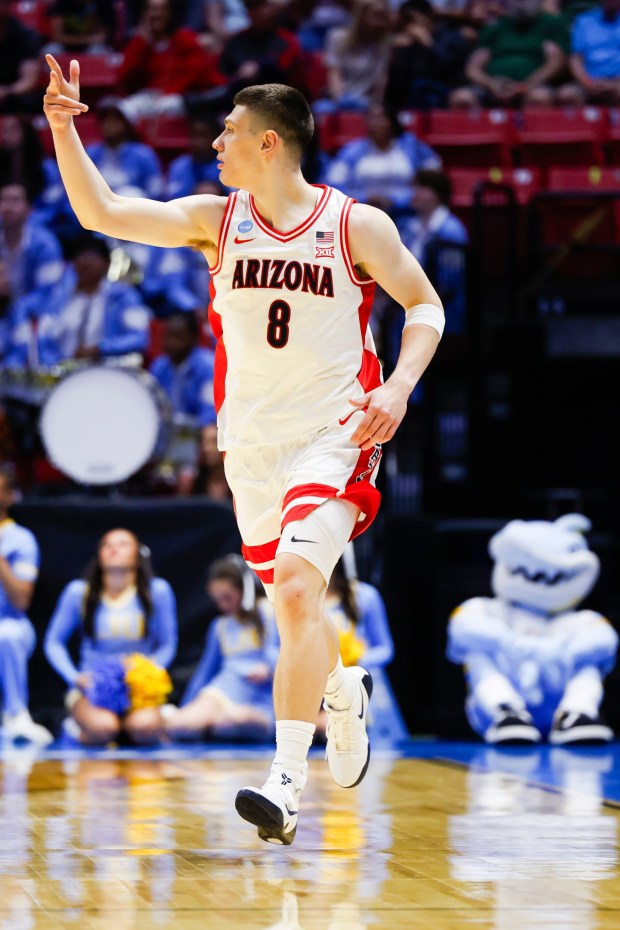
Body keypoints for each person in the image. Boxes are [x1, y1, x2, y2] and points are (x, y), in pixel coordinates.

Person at [43, 59, 444, 846]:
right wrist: (63, 127)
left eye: (227, 132)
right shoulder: (215, 220)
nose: (215, 144)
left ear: (269, 142)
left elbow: (424, 303)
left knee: (296, 587)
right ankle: (338, 690)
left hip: (336, 430)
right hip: (250, 442)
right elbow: (102, 211)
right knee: (293, 602)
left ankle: (286, 783)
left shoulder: (355, 225)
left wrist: (397, 387)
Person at [44, 528, 178, 746]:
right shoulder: (79, 592)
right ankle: (80, 727)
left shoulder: (157, 591)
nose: (114, 549)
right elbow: (53, 642)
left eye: (123, 544)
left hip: (137, 689)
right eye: (107, 545)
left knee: (144, 728)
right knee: (104, 728)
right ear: (99, 555)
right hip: (92, 689)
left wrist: (148, 672)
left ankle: (141, 724)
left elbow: (167, 645)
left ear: (138, 555)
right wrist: (75, 677)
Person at [166, 555, 278, 740]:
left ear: (245, 590)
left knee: (229, 722)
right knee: (181, 725)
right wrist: (186, 707)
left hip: (264, 697)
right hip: (226, 689)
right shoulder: (221, 625)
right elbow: (205, 671)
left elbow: (291, 654)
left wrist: (270, 668)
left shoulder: (270, 611)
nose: (223, 605)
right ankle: (187, 719)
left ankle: (211, 724)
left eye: (227, 597)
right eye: (217, 600)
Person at [316, 553, 408, 744]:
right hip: (315, 681)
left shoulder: (364, 596)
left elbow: (385, 649)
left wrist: (357, 659)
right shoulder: (302, 597)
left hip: (354, 680)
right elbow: (277, 648)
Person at [0, 465, 53, 744]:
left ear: (9, 496)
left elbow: (21, 600)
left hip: (10, 621)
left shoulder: (21, 540)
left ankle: (16, 714)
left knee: (5, 635)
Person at [321, 105, 441, 217]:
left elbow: (433, 175)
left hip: (407, 216)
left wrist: (399, 200)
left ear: (391, 121)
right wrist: (362, 199)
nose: (374, 123)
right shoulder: (351, 151)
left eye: (380, 118)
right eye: (370, 119)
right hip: (361, 216)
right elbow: (333, 183)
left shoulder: (411, 146)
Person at [449, 0, 570, 107]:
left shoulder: (552, 23)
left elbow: (557, 63)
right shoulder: (495, 26)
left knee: (540, 97)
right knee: (462, 98)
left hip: (535, 85)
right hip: (493, 86)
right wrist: (491, 83)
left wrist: (525, 86)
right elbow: (473, 68)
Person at [399, 170, 468, 334]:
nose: (414, 193)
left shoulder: (451, 231)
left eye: (422, 188)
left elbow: (448, 282)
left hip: (443, 313)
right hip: (408, 307)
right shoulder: (407, 228)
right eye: (415, 187)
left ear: (437, 194)